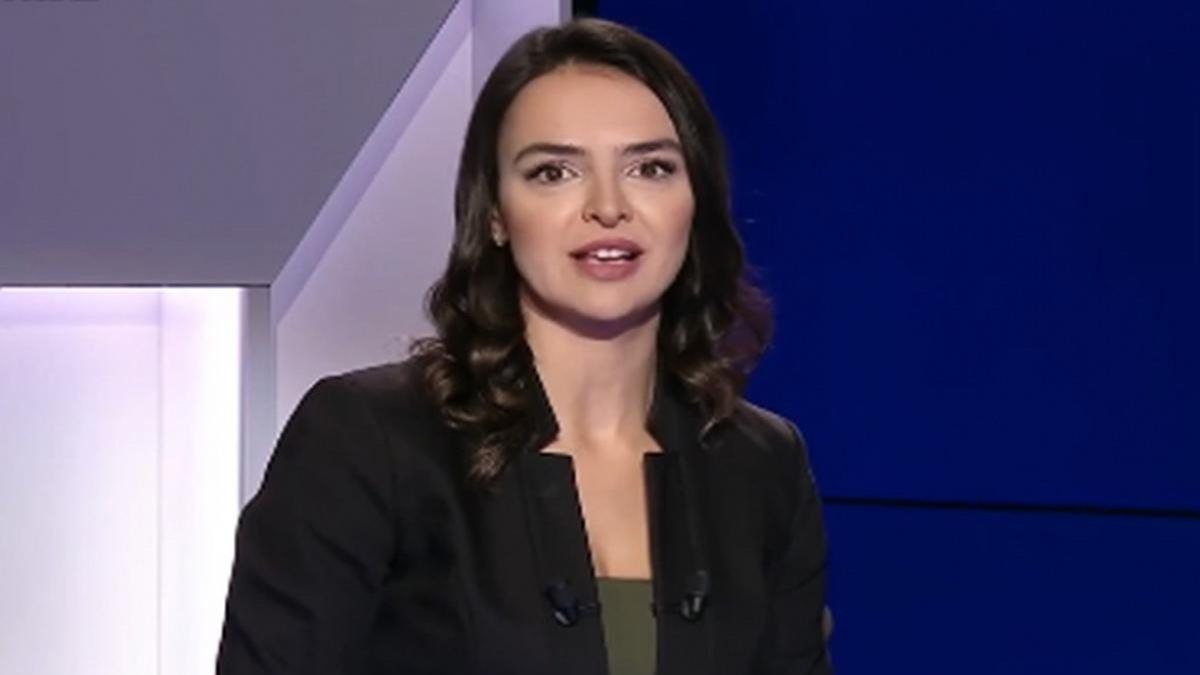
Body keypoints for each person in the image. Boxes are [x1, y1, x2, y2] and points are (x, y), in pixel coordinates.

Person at [217, 16, 832, 675]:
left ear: (696, 200)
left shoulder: (763, 466)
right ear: (495, 214)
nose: (608, 206)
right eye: (554, 172)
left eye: (650, 168)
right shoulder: (369, 439)